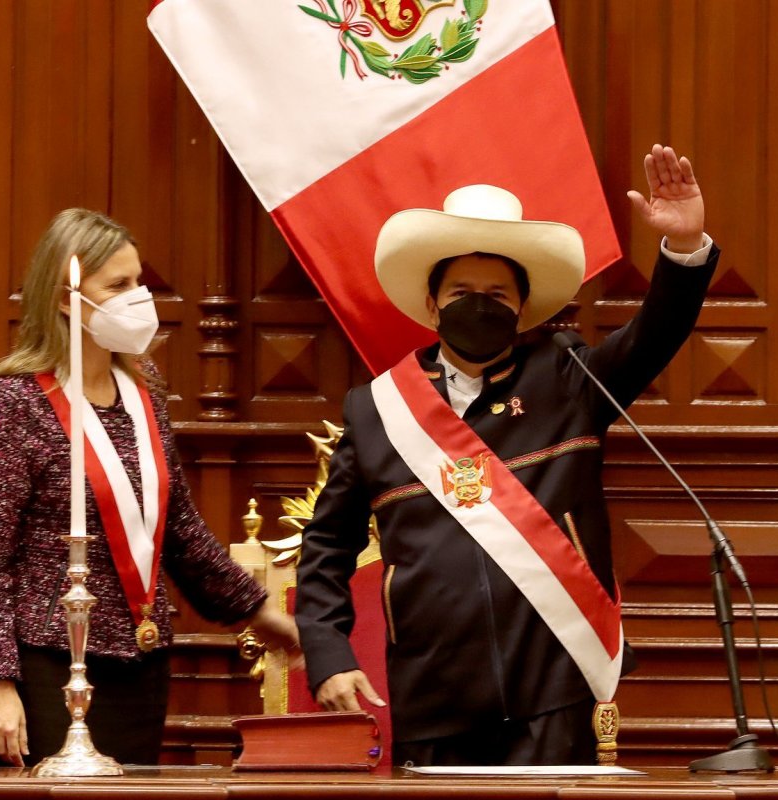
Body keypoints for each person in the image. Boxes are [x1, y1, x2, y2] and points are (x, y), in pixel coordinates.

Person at [295, 144, 718, 766]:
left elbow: (658, 331)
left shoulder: (572, 378)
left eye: (497, 293)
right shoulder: (377, 409)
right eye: (462, 290)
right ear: (433, 303)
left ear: (521, 308)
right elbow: (327, 543)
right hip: (432, 689)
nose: (479, 303)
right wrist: (328, 651)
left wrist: (685, 249)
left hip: (555, 684)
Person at [0, 208, 300, 767]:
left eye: (139, 281)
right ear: (67, 298)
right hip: (44, 660)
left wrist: (261, 614)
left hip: (139, 655)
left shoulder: (142, 389)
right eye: (118, 285)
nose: (138, 297)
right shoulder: (14, 402)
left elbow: (179, 528)